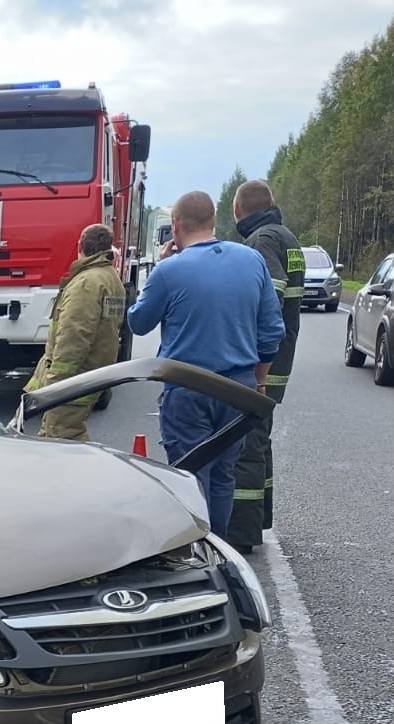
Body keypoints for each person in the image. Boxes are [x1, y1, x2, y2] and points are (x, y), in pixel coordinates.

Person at [126, 190, 283, 538]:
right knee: (225, 473)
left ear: (176, 226)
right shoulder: (251, 260)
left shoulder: (170, 271)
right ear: (214, 221)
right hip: (238, 390)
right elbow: (272, 329)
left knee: (189, 474)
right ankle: (222, 552)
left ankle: (196, 552)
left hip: (188, 387)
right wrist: (258, 381)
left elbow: (138, 322)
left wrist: (160, 267)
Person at [229, 179, 303, 552]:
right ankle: (259, 520)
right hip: (277, 361)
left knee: (246, 446)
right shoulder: (286, 236)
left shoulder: (262, 241)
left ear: (239, 210)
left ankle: (240, 534)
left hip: (262, 363)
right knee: (260, 440)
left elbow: (266, 300)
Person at [26, 223, 127, 442]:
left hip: (72, 382)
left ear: (79, 246)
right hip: (92, 374)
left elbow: (74, 337)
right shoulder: (111, 279)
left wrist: (56, 385)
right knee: (59, 437)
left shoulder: (86, 284)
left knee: (60, 439)